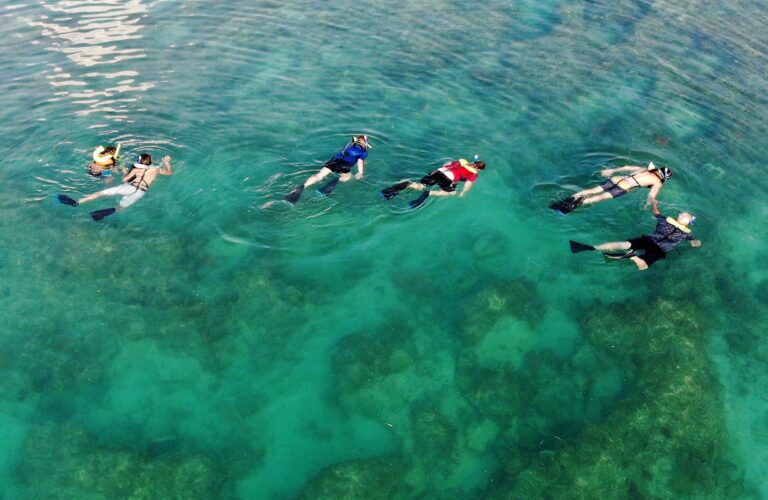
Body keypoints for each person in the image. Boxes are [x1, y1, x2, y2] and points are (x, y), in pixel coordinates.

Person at [569, 206, 701, 270]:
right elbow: (695, 243)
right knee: (643, 266)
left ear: (677, 217)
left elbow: (656, 211)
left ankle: (591, 248)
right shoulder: (686, 234)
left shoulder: (665, 221)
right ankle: (632, 257)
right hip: (660, 249)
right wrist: (695, 242)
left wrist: (654, 203)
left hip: (649, 240)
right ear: (688, 224)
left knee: (623, 244)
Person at [58, 153, 173, 220]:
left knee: (101, 193)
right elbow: (169, 173)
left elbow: (125, 179)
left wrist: (125, 172)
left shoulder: (137, 169)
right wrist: (167, 163)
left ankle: (78, 202)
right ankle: (99, 215)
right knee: (120, 207)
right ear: (150, 162)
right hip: (140, 192)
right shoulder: (156, 169)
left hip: (128, 187)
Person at [551, 162, 672, 214]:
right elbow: (651, 196)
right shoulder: (657, 182)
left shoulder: (644, 169)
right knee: (598, 198)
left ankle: (566, 200)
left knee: (591, 191)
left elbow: (627, 166)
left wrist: (611, 170)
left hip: (617, 178)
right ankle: (568, 207)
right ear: (663, 178)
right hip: (625, 186)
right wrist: (652, 204)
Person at [284, 135, 371, 204]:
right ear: (366, 144)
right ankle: (327, 188)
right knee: (347, 178)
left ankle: (301, 188)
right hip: (345, 165)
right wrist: (360, 172)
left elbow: (351, 150)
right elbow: (360, 161)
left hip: (334, 161)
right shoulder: (363, 152)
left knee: (319, 176)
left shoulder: (348, 145)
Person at [381, 157, 486, 208]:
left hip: (438, 171)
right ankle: (428, 193)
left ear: (474, 162)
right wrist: (463, 193)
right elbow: (468, 183)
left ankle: (396, 188)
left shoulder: (462, 161)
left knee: (420, 185)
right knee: (451, 193)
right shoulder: (473, 174)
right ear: (479, 169)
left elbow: (447, 163)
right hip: (448, 179)